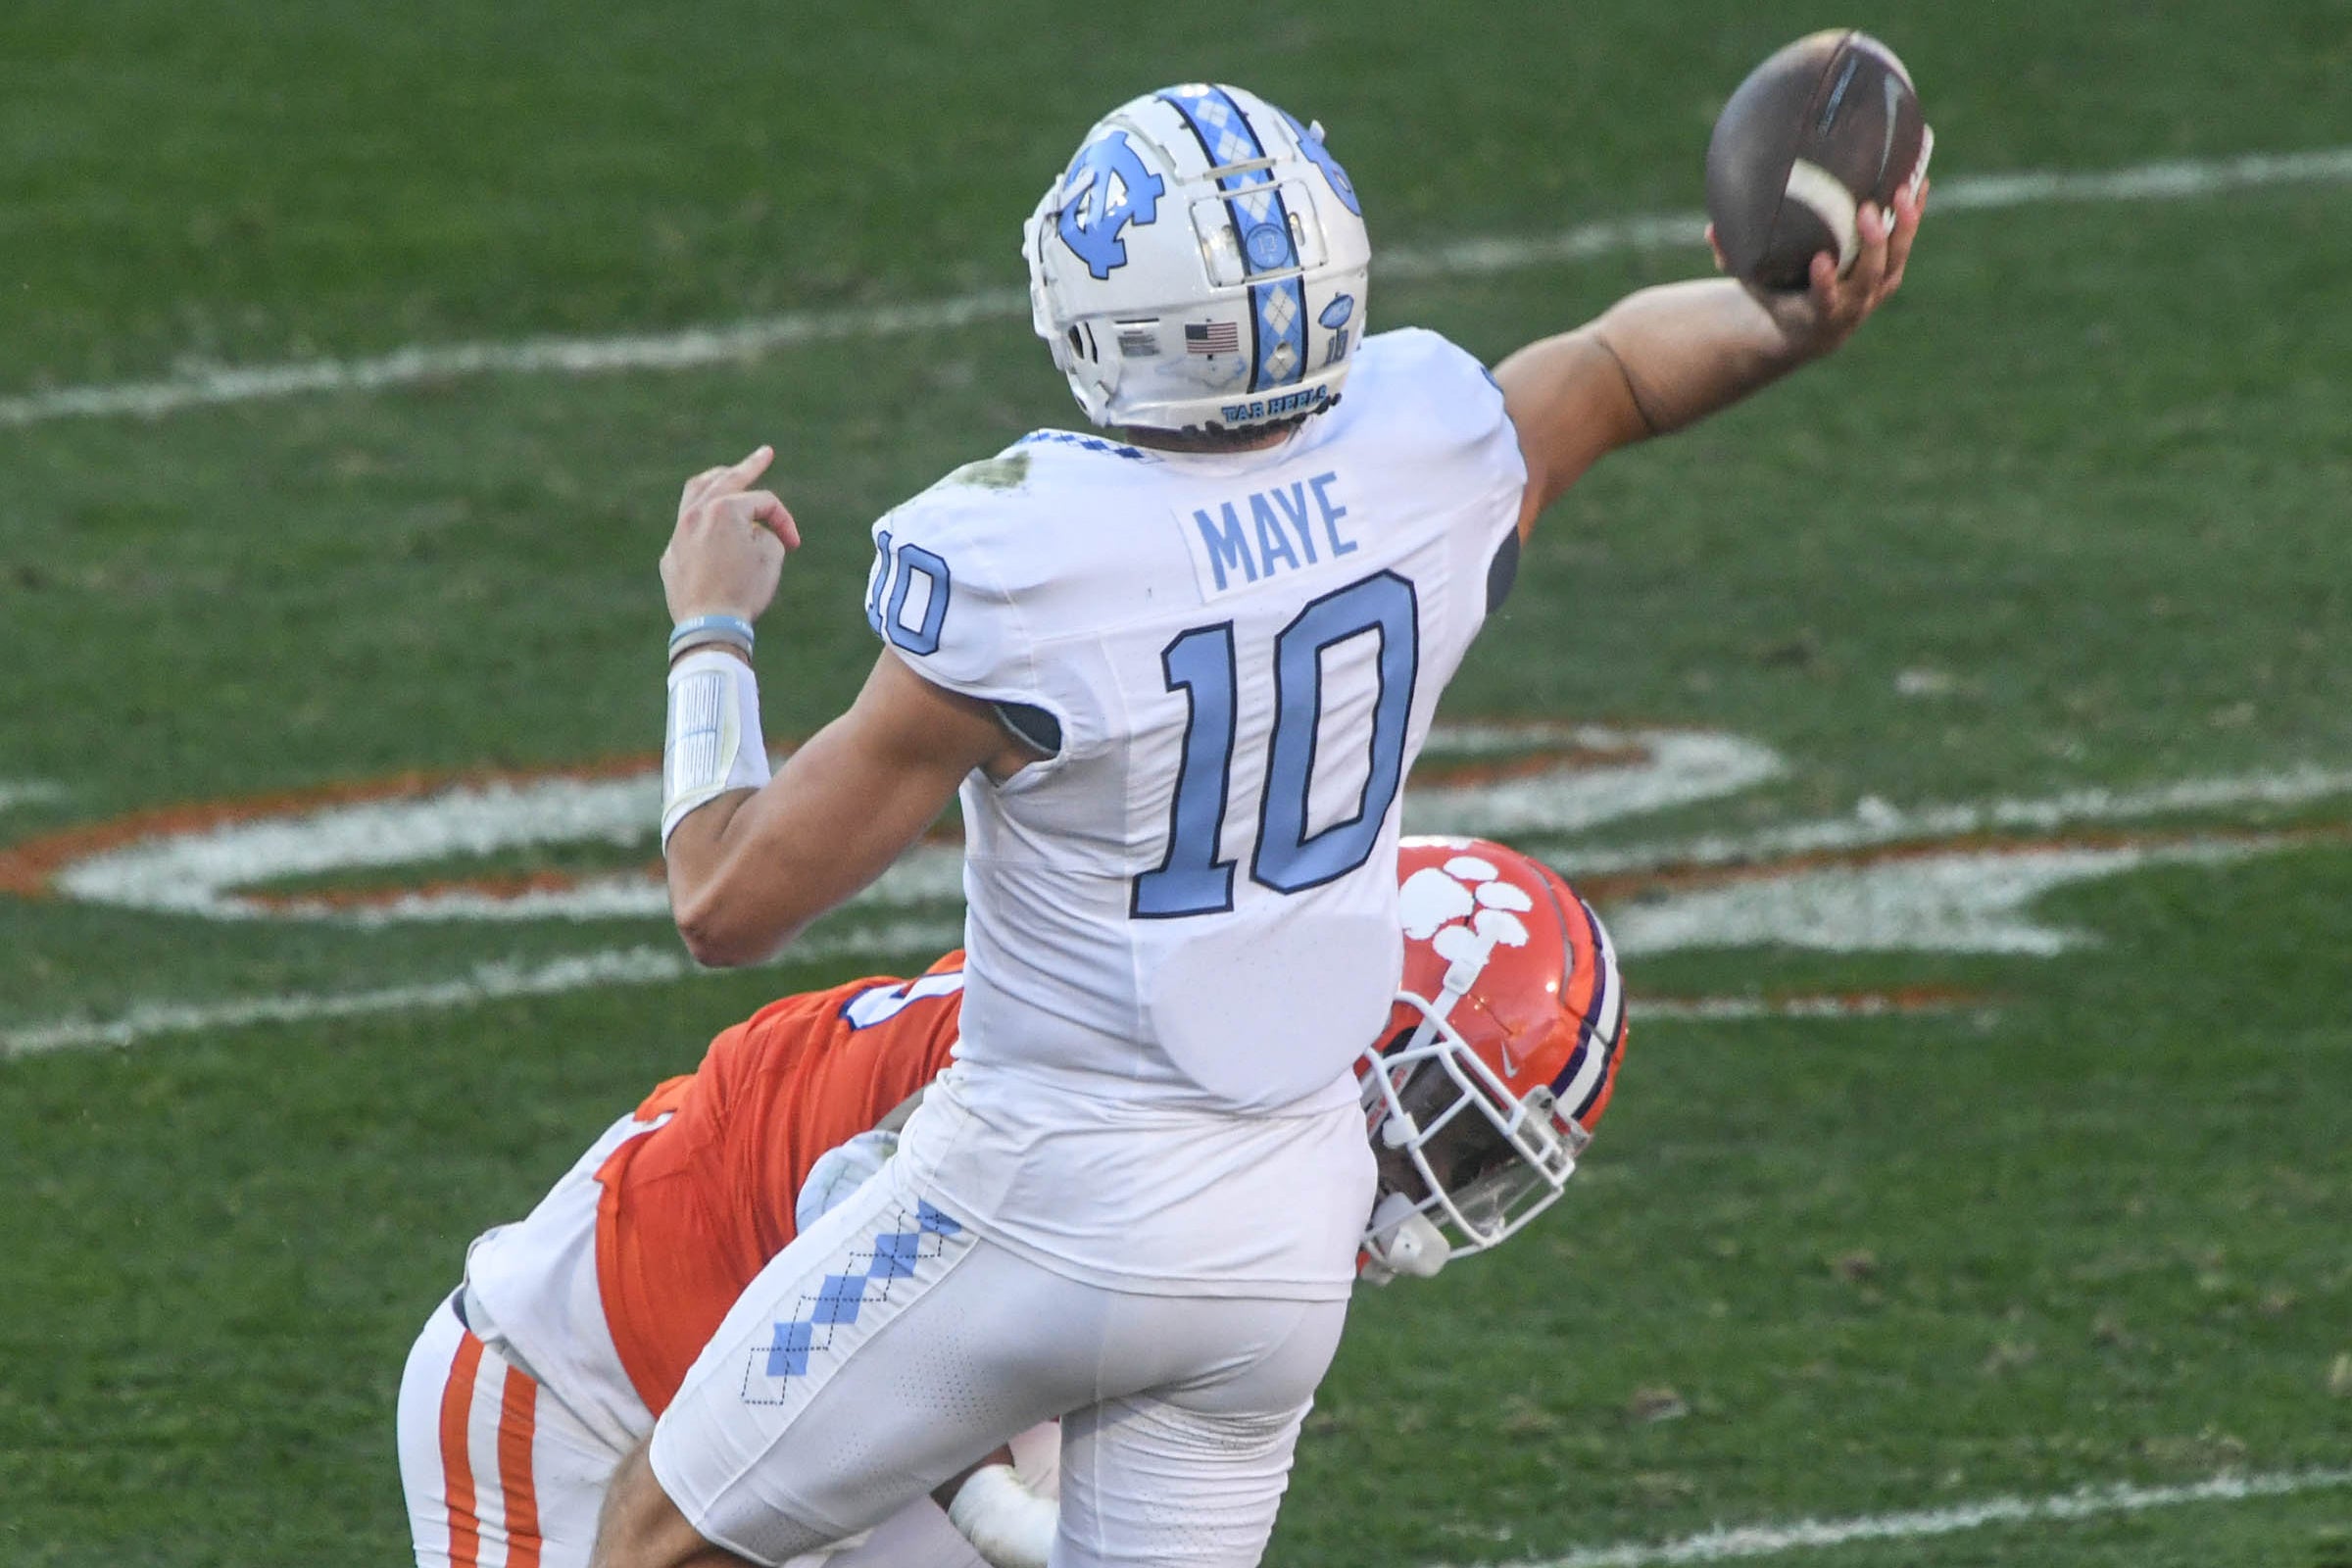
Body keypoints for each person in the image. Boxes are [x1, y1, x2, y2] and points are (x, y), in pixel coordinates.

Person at [616, 81, 1920, 1568]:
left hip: (1043, 1188)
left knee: (655, 1539)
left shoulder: (1026, 562)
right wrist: (1792, 323)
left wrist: (710, 626)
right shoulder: (1425, 460)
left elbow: (724, 899)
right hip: (1284, 1230)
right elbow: (1620, 367)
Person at [397, 839, 1624, 1568]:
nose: (1444, 1189)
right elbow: (853, 1217)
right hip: (586, 1388)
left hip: (832, 1374)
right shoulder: (1118, 1091)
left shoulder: (1229, 1112)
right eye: (1457, 1137)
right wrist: (988, 1498)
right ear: (1364, 1030)